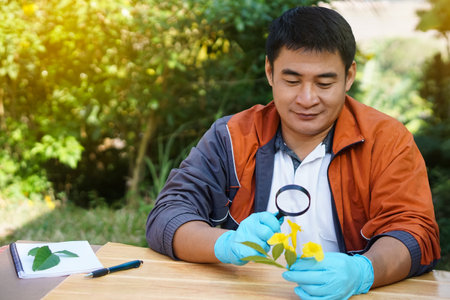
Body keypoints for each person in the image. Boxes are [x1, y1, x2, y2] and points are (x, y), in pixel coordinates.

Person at [146, 6, 440, 299]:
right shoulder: (232, 137)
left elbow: (417, 232)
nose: (307, 99)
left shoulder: (387, 142)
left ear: (349, 76)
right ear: (269, 71)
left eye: (324, 83)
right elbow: (168, 215)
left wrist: (364, 271)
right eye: (292, 80)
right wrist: (226, 244)